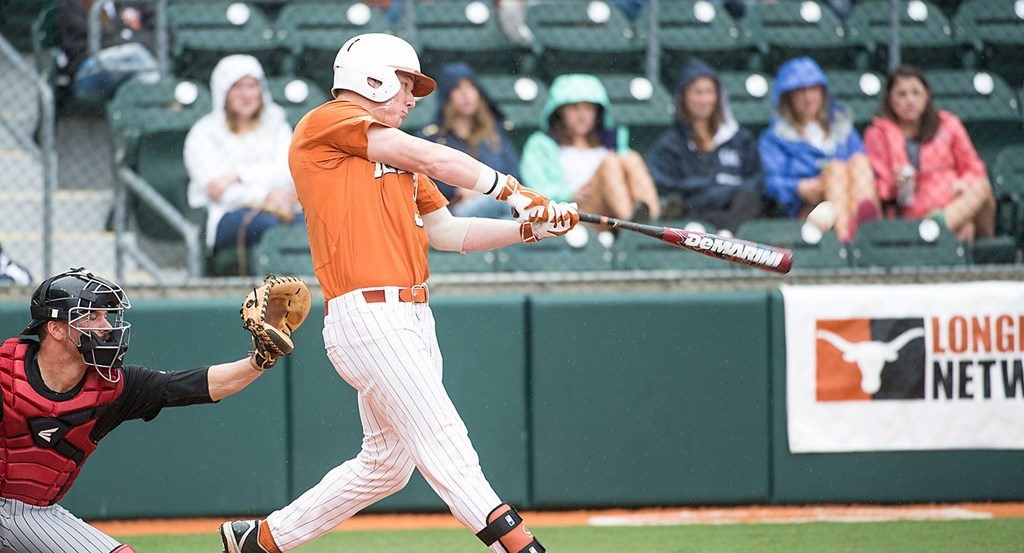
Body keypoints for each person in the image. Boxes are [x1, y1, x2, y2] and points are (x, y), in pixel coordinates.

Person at [218, 33, 576, 553]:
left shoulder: (399, 154)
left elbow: (449, 234)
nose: (412, 99)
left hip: (412, 317)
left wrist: (529, 228)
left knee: (387, 466)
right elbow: (428, 156)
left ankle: (261, 540)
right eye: (406, 85)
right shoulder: (327, 122)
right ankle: (520, 546)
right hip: (368, 318)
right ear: (372, 76)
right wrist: (513, 192)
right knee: (446, 444)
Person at [0, 268, 270, 552]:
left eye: (106, 315)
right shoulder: (6, 373)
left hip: (34, 514)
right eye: (92, 316)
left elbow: (197, 384)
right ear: (55, 328)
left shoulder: (112, 388)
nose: (106, 325)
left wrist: (259, 362)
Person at [184, 54, 301, 275]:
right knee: (270, 227)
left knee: (314, 226)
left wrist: (238, 175)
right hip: (226, 214)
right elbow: (217, 190)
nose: (246, 94)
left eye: (252, 86)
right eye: (237, 87)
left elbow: (288, 169)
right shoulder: (203, 133)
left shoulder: (277, 124)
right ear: (224, 92)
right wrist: (263, 197)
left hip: (283, 205)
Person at [863, 65, 995, 243]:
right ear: (890, 100)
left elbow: (974, 167)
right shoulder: (877, 134)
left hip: (951, 202)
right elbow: (876, 185)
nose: (910, 100)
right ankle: (938, 229)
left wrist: (965, 182)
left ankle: (938, 225)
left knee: (981, 188)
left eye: (916, 93)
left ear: (926, 97)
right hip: (911, 210)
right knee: (965, 228)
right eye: (902, 94)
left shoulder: (949, 124)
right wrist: (895, 185)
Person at [758, 56, 879, 242]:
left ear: (823, 92)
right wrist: (798, 187)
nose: (808, 97)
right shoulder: (774, 138)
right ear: (787, 96)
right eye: (800, 91)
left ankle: (860, 228)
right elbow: (769, 181)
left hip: (848, 195)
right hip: (809, 209)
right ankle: (850, 240)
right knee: (836, 169)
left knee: (858, 163)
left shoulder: (843, 128)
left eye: (814, 89)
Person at [520, 73, 661, 222]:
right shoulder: (540, 144)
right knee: (609, 162)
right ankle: (634, 225)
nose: (582, 116)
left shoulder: (611, 142)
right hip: (574, 214)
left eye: (588, 108)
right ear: (560, 111)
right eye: (574, 108)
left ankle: (654, 217)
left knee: (631, 158)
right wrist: (569, 195)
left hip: (612, 212)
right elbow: (533, 190)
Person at [647, 57, 765, 233]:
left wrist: (725, 191)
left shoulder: (740, 139)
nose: (704, 99)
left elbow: (756, 178)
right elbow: (666, 185)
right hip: (696, 215)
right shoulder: (670, 145)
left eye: (709, 92)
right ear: (683, 96)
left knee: (748, 198)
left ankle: (727, 238)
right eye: (698, 92)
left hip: (737, 212)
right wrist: (712, 190)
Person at [419, 62, 520, 219]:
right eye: (457, 88)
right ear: (447, 95)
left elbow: (514, 173)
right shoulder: (434, 139)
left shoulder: (494, 134)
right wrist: (457, 192)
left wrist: (484, 189)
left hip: (497, 202)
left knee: (512, 210)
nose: (466, 94)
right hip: (455, 212)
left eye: (471, 86)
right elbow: (426, 184)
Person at [56, 0, 160, 103]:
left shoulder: (129, 3)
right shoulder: (73, 4)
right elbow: (84, 43)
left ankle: (135, 113)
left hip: (129, 71)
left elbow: (161, 36)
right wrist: (127, 36)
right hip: (88, 73)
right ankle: (164, 102)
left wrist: (124, 38)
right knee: (137, 55)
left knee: (144, 74)